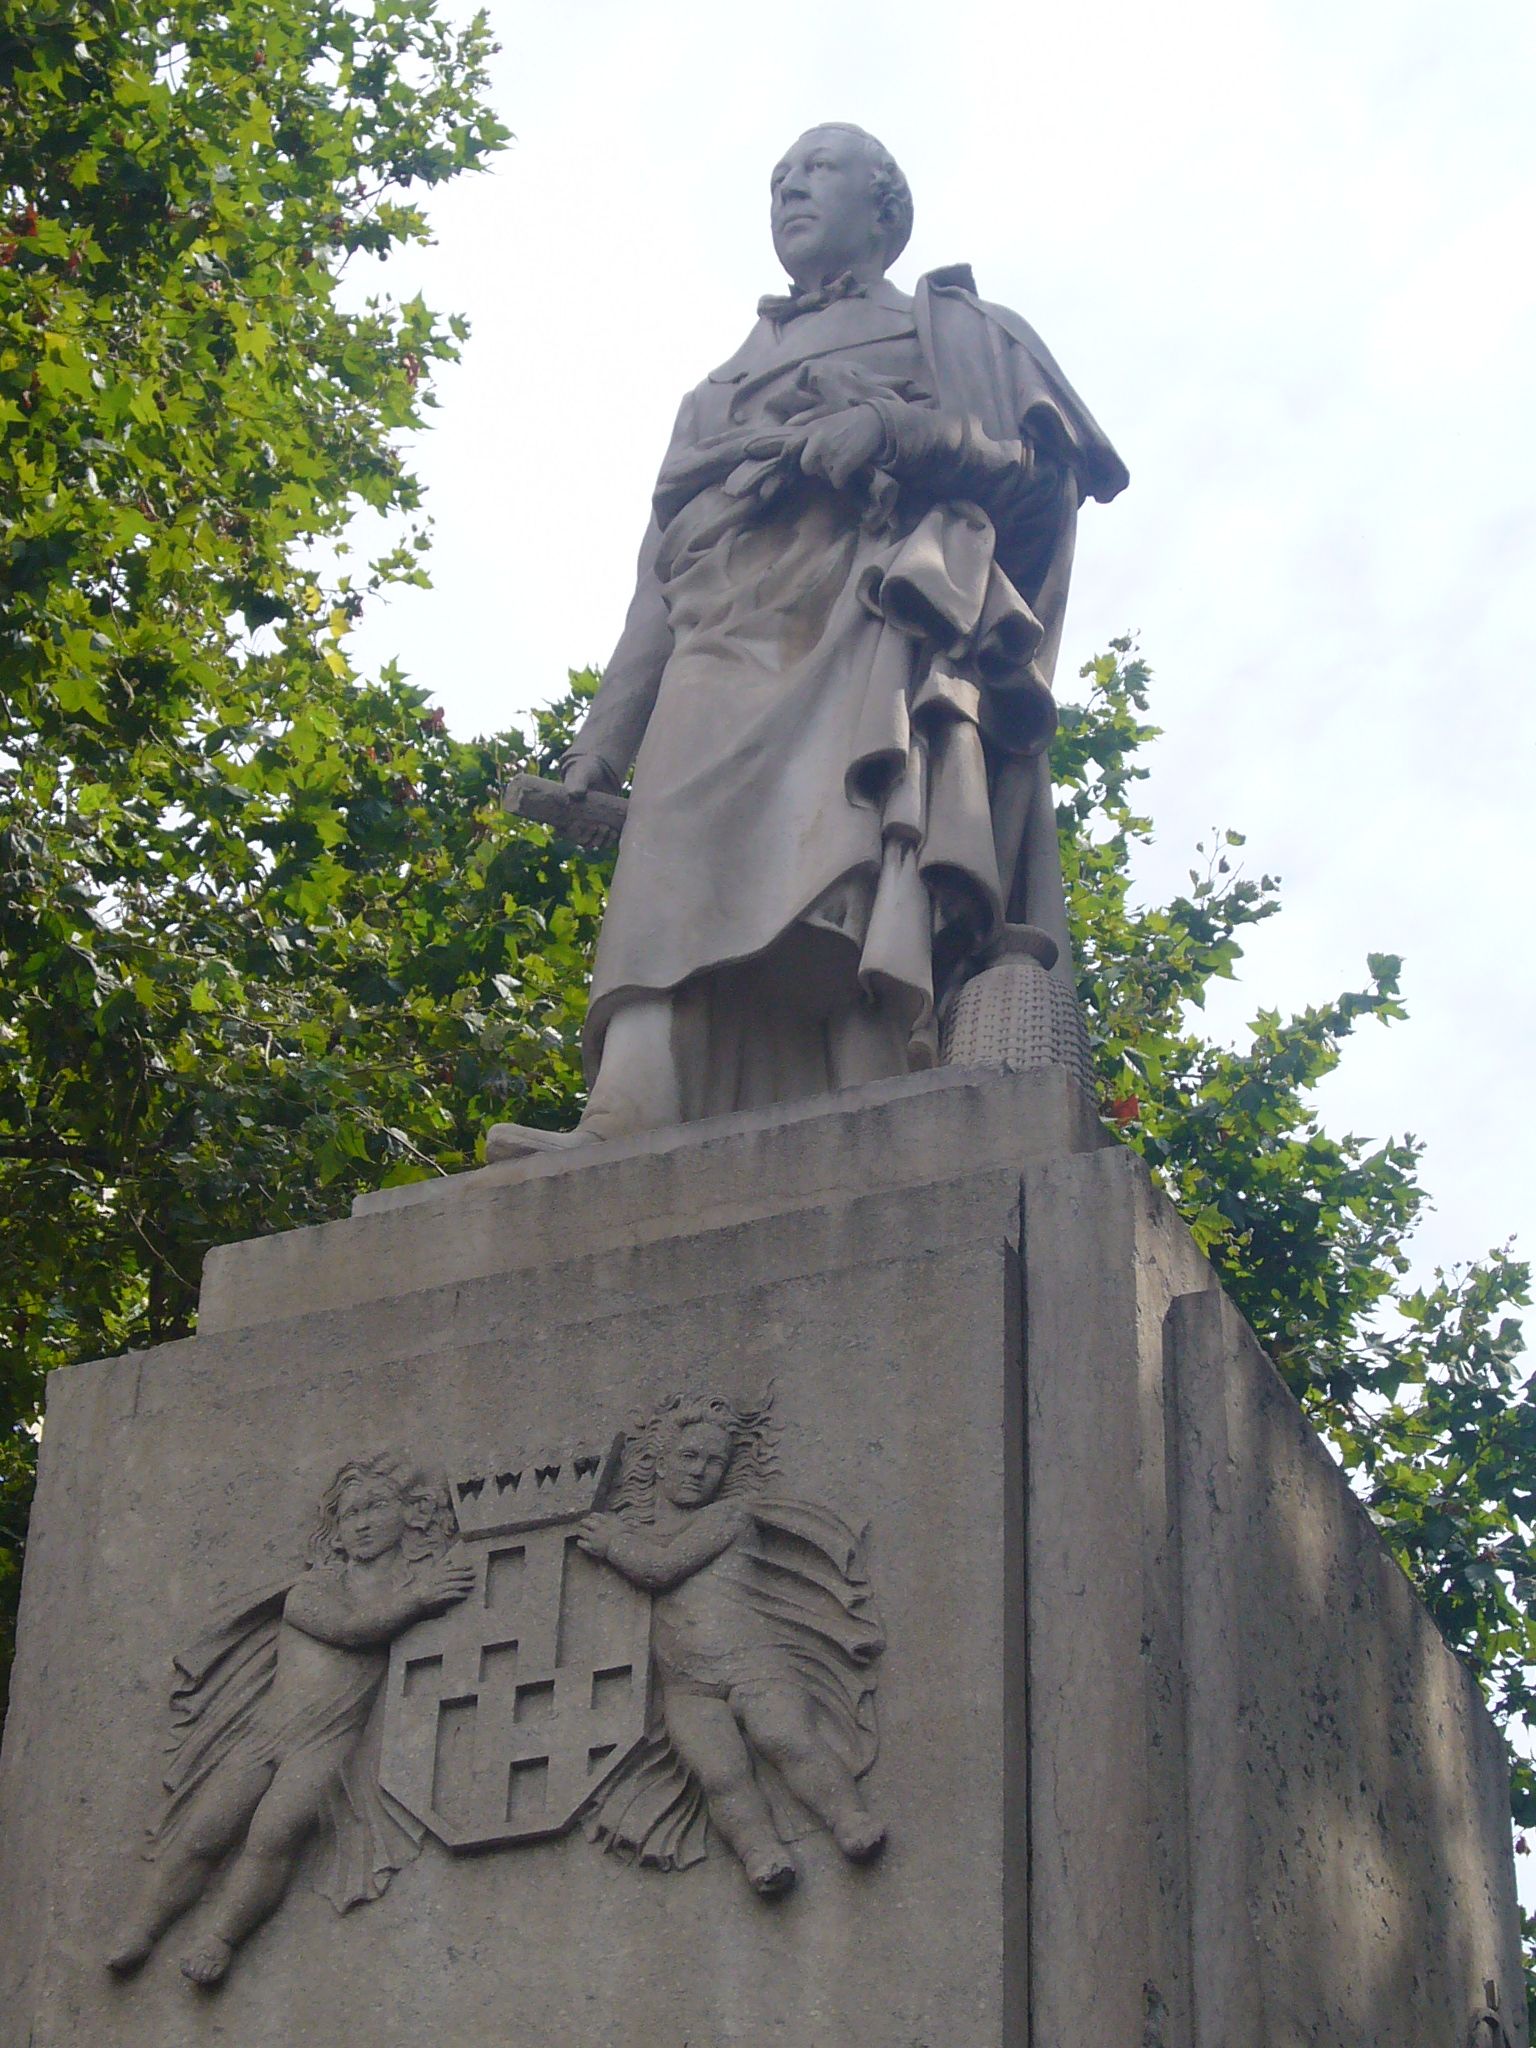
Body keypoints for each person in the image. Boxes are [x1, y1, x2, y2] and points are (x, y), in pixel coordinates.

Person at [489, 123, 1125, 1160]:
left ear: (887, 207)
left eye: (816, 170)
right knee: (669, 854)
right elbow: (655, 584)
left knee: (855, 852)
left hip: (866, 613)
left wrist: (903, 433)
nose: (789, 189)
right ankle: (629, 1105)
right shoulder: (712, 390)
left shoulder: (954, 335)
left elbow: (1045, 483)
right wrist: (602, 744)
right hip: (721, 634)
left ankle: (876, 1093)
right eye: (777, 178)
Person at [106, 1453, 473, 1988]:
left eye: (377, 1507)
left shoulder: (414, 1585)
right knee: (204, 1833)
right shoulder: (313, 1591)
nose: (365, 1522)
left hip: (327, 1743)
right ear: (337, 1533)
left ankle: (221, 1936)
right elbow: (353, 1630)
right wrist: (419, 1601)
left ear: (410, 1514)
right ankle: (142, 1926)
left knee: (274, 1837)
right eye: (352, 1515)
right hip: (265, 1738)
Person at [578, 1395, 885, 1897]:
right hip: (687, 1687)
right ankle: (759, 1852)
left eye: (714, 1461)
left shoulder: (729, 1517)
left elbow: (662, 1568)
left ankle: (848, 1818)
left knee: (786, 1738)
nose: (701, 1471)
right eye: (689, 1457)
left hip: (753, 1665)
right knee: (721, 1775)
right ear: (658, 1462)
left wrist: (614, 1545)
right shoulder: (642, 1530)